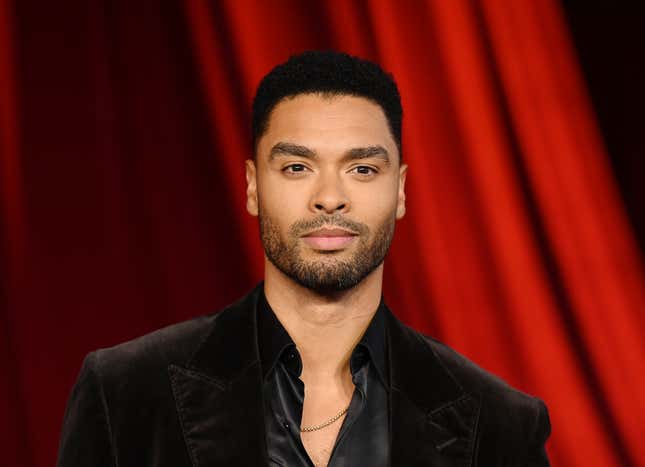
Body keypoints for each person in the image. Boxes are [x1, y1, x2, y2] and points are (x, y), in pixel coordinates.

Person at [57, 50, 551, 467]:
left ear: (399, 190)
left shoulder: (503, 425)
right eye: (297, 167)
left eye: (361, 168)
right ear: (253, 186)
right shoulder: (125, 394)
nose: (330, 197)